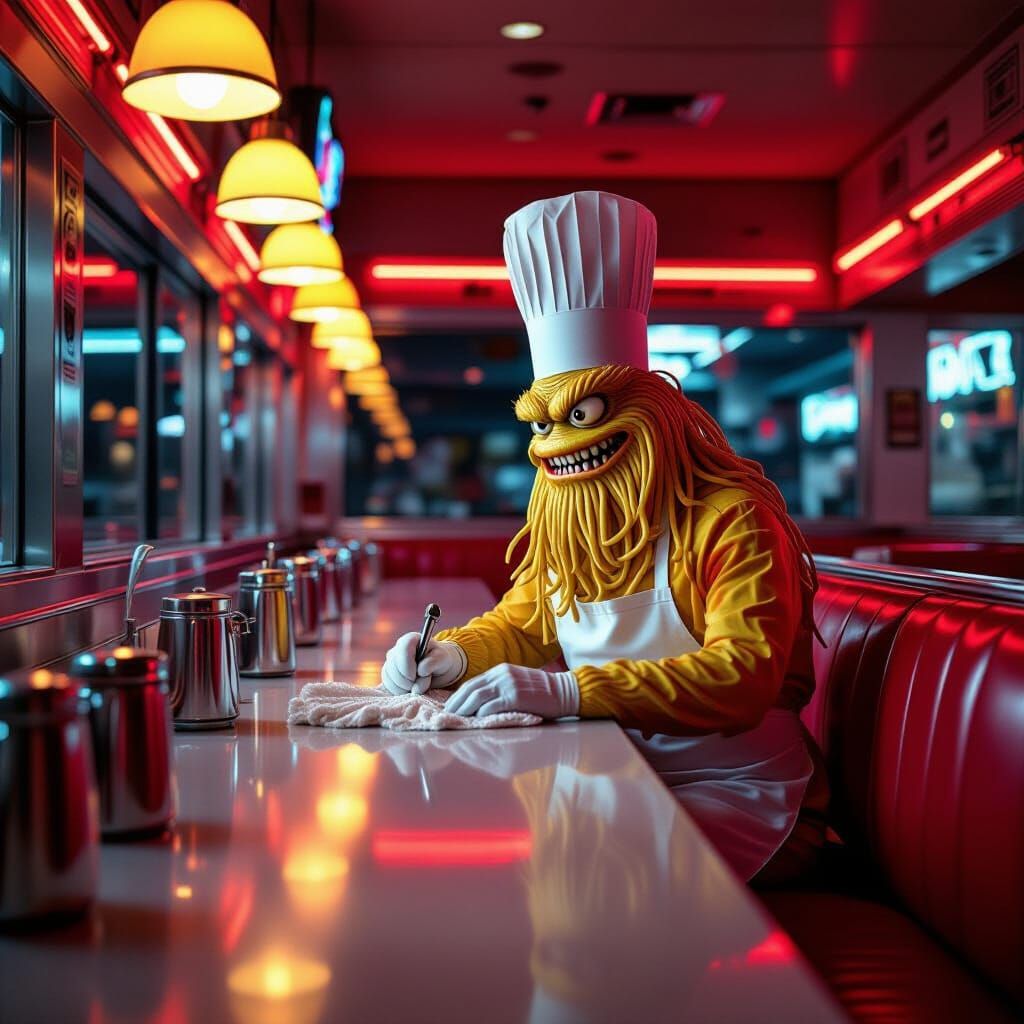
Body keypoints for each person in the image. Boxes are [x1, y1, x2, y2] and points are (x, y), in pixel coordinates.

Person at [381, 191, 826, 882]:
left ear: (654, 406)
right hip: (613, 775)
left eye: (583, 412)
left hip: (743, 790)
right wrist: (454, 657)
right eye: (542, 424)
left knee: (609, 899)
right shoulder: (569, 521)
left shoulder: (732, 519)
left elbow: (744, 677)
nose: (557, 443)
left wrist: (570, 694)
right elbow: (525, 625)